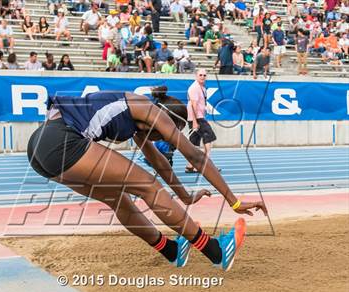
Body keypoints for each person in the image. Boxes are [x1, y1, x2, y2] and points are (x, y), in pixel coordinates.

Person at [27, 86, 267, 271]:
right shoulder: (146, 108)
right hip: (60, 142)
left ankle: (171, 250)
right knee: (148, 186)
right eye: (170, 133)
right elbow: (194, 155)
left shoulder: (137, 124)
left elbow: (158, 162)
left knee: (118, 199)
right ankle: (215, 251)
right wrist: (234, 202)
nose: (166, 139)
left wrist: (185, 196)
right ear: (167, 121)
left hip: (39, 151)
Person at [185, 68, 219, 173]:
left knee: (194, 142)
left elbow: (201, 103)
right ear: (196, 76)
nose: (203, 77)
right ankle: (206, 164)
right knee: (209, 137)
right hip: (196, 118)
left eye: (204, 75)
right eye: (200, 75)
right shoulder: (194, 88)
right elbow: (193, 105)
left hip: (198, 117)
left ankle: (190, 165)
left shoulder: (202, 88)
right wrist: (195, 122)